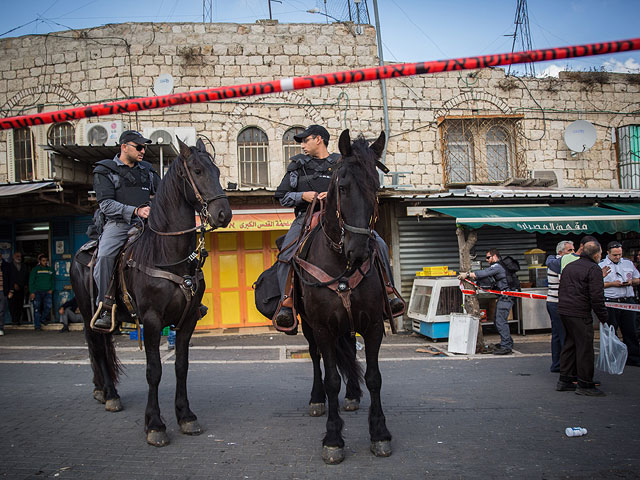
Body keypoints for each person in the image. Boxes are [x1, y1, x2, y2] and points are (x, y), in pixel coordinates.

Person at [272, 125, 401, 330]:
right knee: (287, 252)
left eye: (306, 140)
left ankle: (389, 292)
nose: (302, 145)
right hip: (306, 216)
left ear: (319, 139)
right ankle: (286, 303)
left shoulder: (341, 163)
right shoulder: (297, 166)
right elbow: (282, 197)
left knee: (380, 244)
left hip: (341, 217)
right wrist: (303, 196)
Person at [92, 130, 159, 330]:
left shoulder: (147, 170)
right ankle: (105, 306)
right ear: (124, 147)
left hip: (148, 224)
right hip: (119, 224)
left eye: (144, 147)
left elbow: (162, 194)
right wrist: (136, 210)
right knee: (104, 257)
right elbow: (105, 205)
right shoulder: (105, 170)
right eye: (138, 147)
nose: (143, 151)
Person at [557, 241, 608, 396]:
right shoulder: (593, 269)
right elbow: (597, 296)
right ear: (597, 254)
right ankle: (585, 383)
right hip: (580, 311)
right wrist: (604, 317)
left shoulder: (570, 266)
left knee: (570, 344)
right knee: (585, 347)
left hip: (564, 310)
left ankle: (565, 379)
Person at [458, 249, 514, 355]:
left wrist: (468, 274)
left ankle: (506, 346)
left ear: (494, 256)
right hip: (504, 297)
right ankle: (507, 342)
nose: (487, 260)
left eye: (488, 257)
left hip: (506, 297)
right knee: (498, 320)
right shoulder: (500, 266)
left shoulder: (497, 267)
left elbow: (484, 273)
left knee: (500, 321)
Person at [599, 241, 640, 367]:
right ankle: (614, 358)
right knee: (611, 331)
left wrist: (631, 281)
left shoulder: (628, 263)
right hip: (611, 301)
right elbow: (597, 284)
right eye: (615, 255)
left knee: (631, 330)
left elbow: (638, 279)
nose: (617, 257)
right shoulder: (601, 265)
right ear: (608, 253)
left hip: (627, 300)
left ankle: (633, 358)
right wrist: (613, 284)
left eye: (619, 254)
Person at [545, 240, 574, 372]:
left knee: (557, 334)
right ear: (560, 252)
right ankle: (567, 368)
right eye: (570, 250)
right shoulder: (560, 263)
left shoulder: (554, 261)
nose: (573, 253)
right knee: (565, 335)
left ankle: (557, 364)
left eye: (573, 250)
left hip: (553, 302)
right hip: (558, 303)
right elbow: (566, 282)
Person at [29, 254, 54, 330]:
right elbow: (31, 281)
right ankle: (37, 326)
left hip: (47, 292)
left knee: (48, 306)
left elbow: (53, 280)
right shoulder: (35, 270)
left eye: (46, 260)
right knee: (37, 308)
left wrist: (51, 289)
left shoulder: (50, 270)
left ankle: (42, 319)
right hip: (37, 292)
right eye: (43, 261)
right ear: (39, 261)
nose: (45, 262)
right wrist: (32, 292)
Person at [7, 252, 29, 326]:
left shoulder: (24, 266)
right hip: (12, 289)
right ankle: (14, 320)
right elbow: (8, 278)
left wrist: (26, 285)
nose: (19, 257)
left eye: (20, 256)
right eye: (17, 256)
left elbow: (26, 276)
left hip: (21, 288)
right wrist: (13, 285)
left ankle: (19, 320)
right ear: (13, 257)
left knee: (20, 305)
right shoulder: (9, 266)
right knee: (12, 305)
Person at [0, 255, 10, 336]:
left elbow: (10, 279)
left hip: (3, 291)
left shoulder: (6, 265)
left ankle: (0, 328)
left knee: (1, 310)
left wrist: (11, 291)